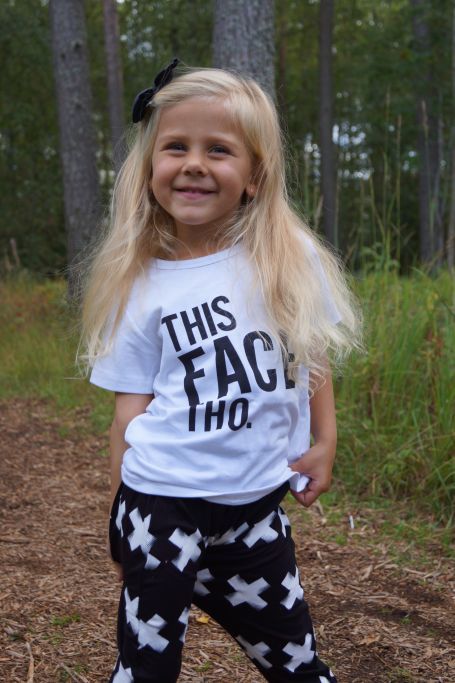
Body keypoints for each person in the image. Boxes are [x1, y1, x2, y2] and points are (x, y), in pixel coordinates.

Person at [81, 61, 361, 683]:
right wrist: (122, 519)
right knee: (147, 670)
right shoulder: (139, 283)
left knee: (298, 664)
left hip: (256, 511)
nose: (194, 164)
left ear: (255, 175)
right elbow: (128, 415)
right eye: (175, 147)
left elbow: (310, 352)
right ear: (148, 168)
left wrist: (325, 439)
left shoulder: (287, 256)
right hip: (160, 509)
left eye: (218, 150)